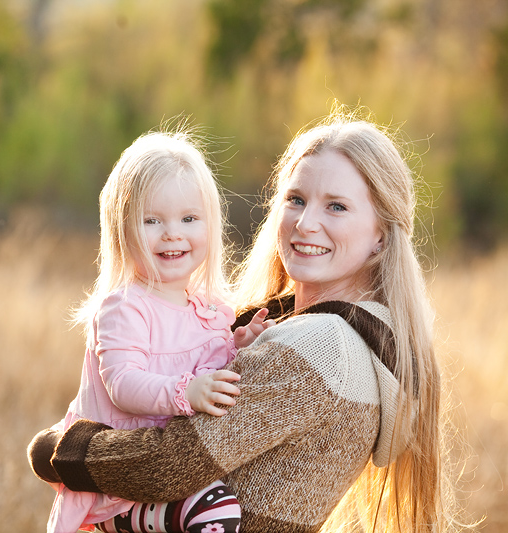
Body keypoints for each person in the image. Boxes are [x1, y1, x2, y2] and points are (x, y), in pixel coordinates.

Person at [29, 110, 454, 532]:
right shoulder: (329, 331)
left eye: (337, 207)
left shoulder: (321, 347)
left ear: (381, 233)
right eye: (296, 200)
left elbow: (166, 465)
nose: (306, 224)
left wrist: (56, 448)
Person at [34, 128, 273, 533]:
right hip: (121, 484)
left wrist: (236, 346)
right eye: (152, 220)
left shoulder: (212, 310)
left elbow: (205, 369)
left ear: (210, 225)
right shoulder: (125, 307)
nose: (172, 233)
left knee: (231, 503)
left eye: (189, 218)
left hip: (175, 470)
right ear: (121, 228)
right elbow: (124, 385)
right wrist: (187, 393)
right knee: (217, 511)